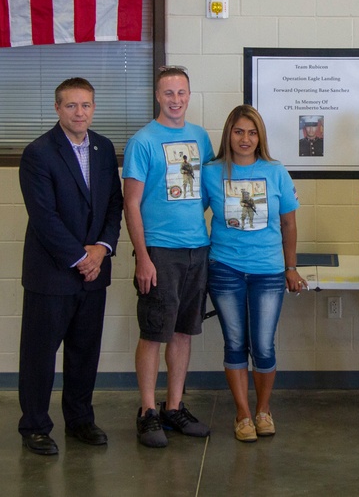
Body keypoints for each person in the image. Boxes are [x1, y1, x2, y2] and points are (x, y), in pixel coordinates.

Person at [17, 78, 123, 455]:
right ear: (57, 109)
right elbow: (44, 217)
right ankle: (35, 427)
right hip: (52, 274)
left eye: (86, 105)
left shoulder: (104, 148)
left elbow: (114, 205)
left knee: (84, 352)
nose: (80, 113)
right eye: (72, 106)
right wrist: (81, 257)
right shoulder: (38, 153)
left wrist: (102, 249)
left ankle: (80, 420)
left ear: (94, 108)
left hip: (95, 274)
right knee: (39, 355)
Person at [123, 66, 214, 447]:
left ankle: (173, 407)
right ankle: (147, 411)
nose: (175, 100)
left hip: (197, 248)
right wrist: (143, 257)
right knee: (154, 332)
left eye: (181, 93)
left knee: (182, 332)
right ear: (157, 96)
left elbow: (210, 188)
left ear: (189, 95)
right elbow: (131, 202)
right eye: (168, 93)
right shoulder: (142, 141)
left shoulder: (200, 138)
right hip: (159, 251)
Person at [203, 105, 303, 442]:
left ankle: (263, 410)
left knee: (262, 345)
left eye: (252, 132)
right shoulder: (210, 172)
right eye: (238, 132)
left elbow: (288, 223)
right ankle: (243, 414)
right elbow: (189, 211)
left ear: (260, 137)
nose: (245, 139)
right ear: (228, 135)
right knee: (235, 343)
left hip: (268, 271)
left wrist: (291, 267)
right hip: (225, 268)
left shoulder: (276, 172)